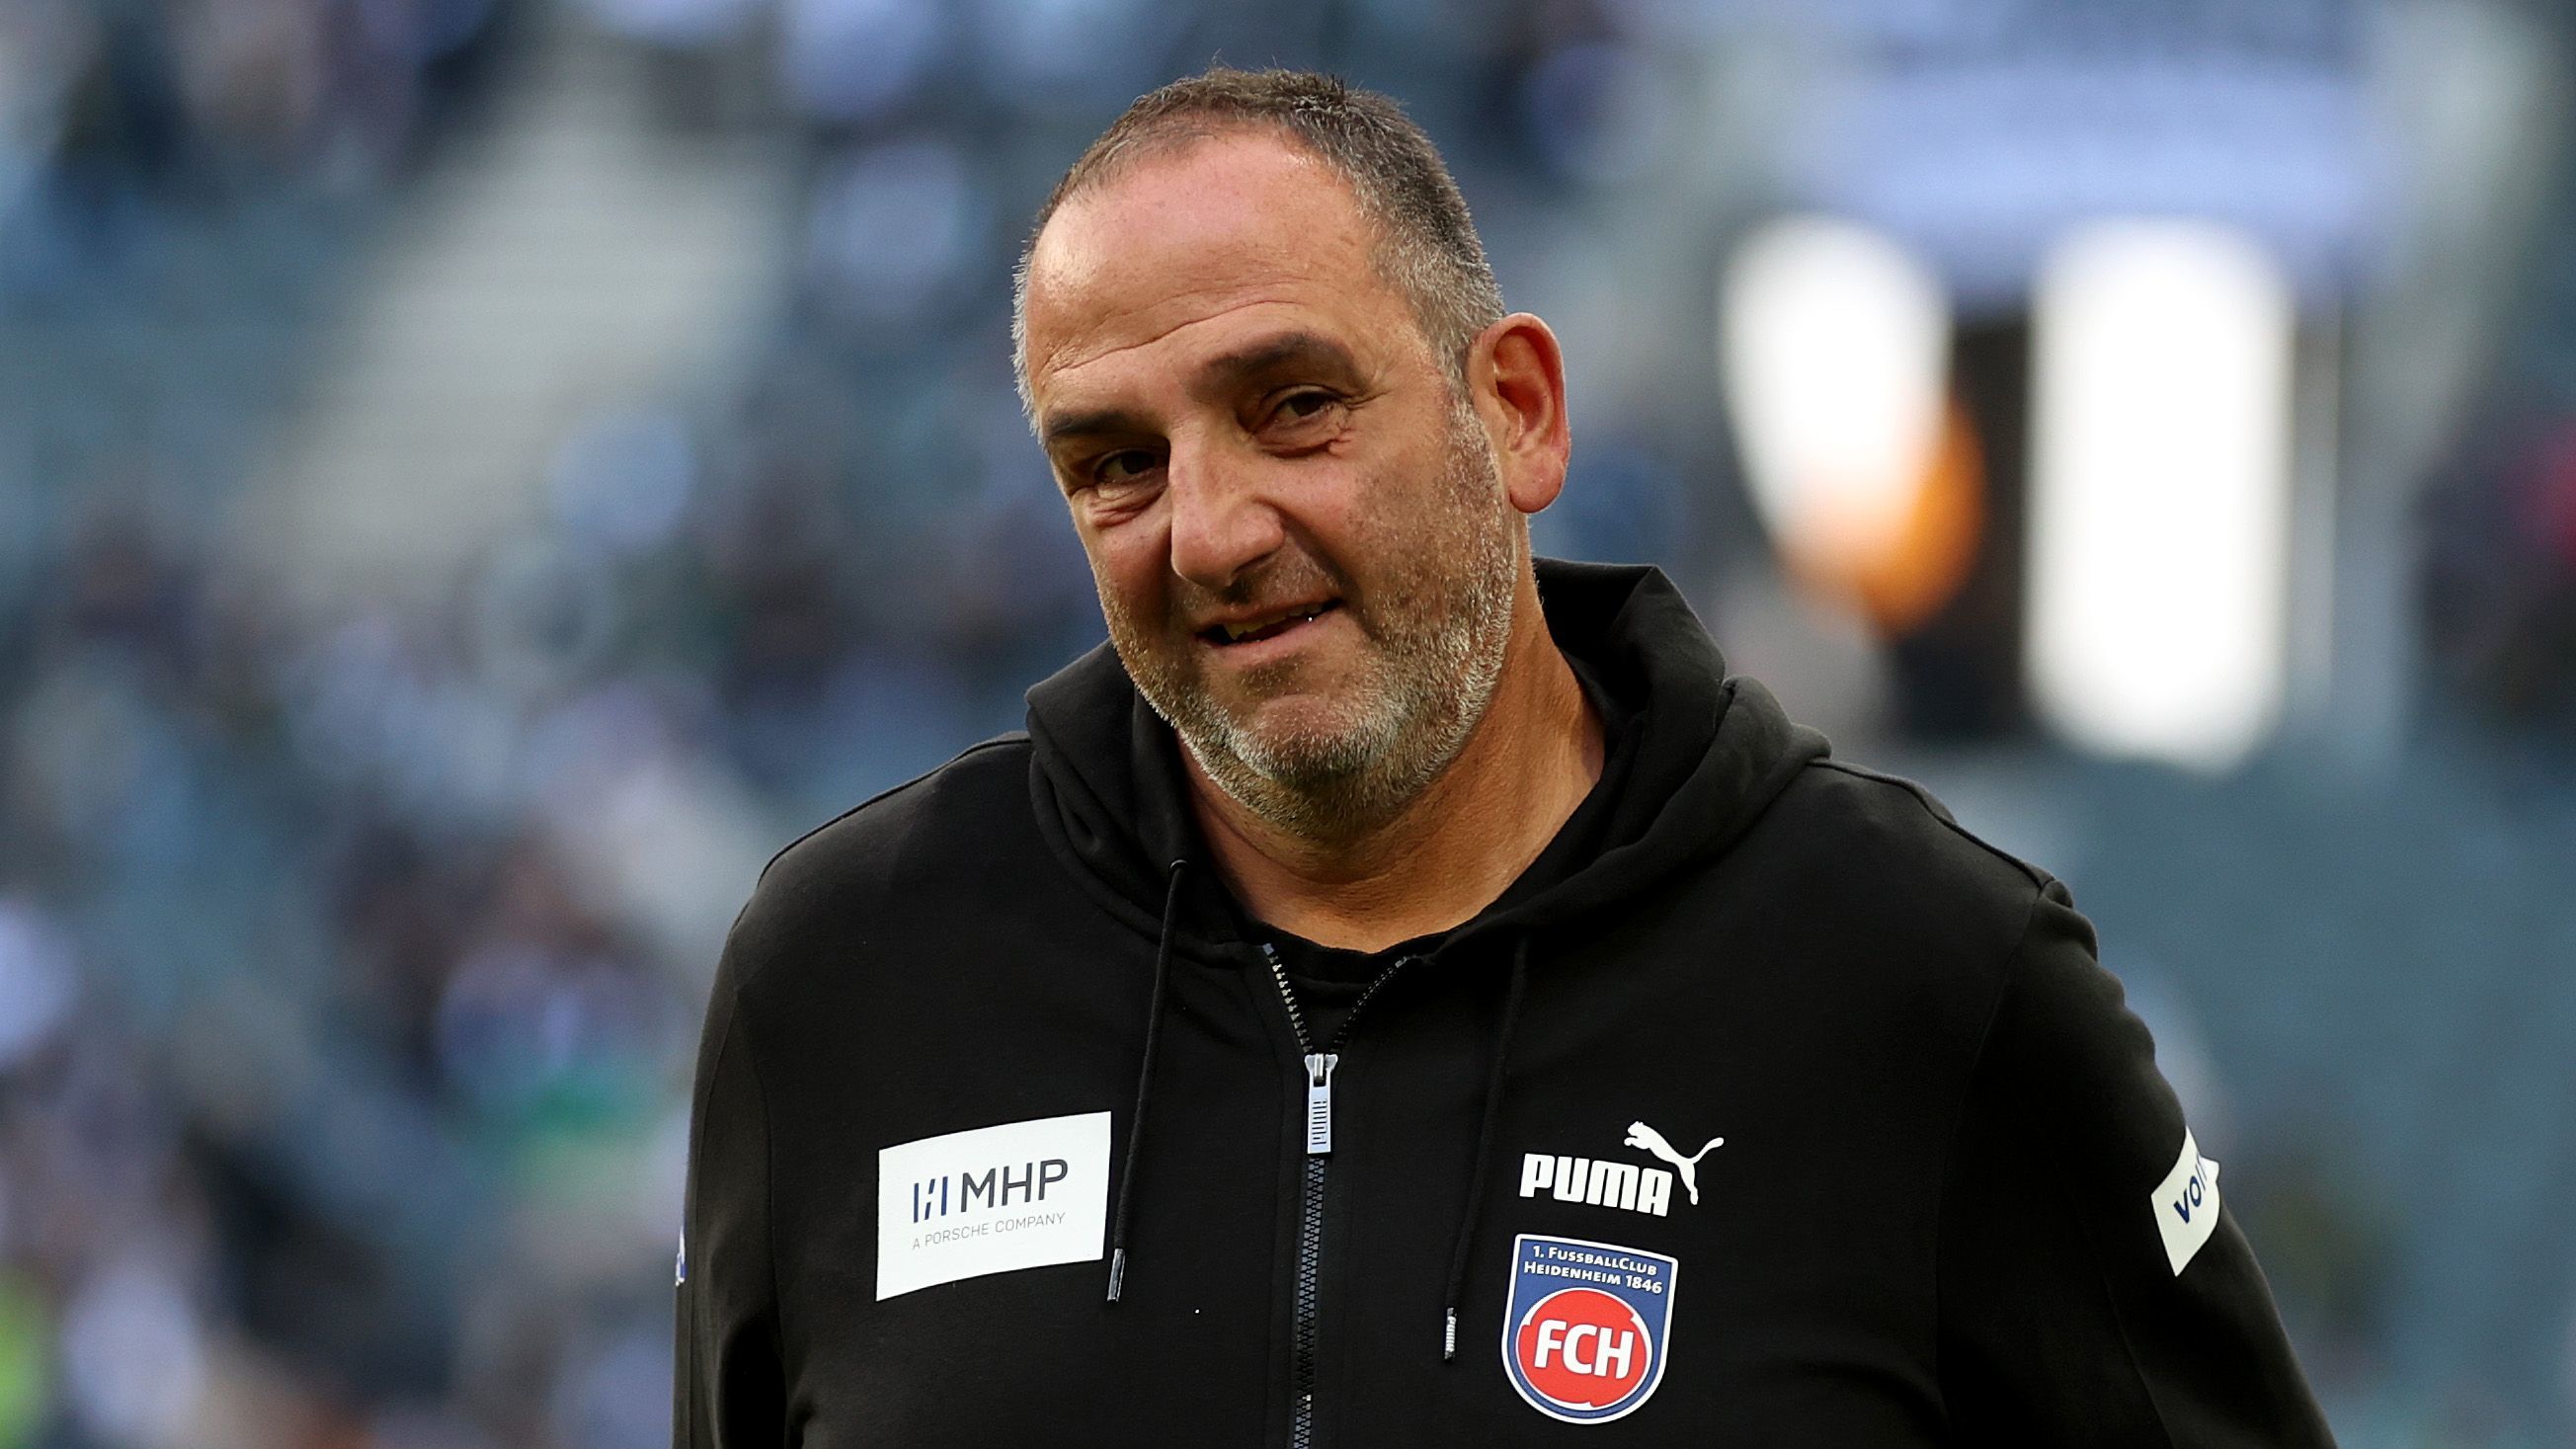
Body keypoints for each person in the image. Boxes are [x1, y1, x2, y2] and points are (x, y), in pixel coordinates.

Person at [673, 67, 2338, 1447]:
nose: (1211, 529)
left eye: (1296, 405)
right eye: (1116, 463)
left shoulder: (1929, 980)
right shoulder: (846, 979)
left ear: (1519, 412)